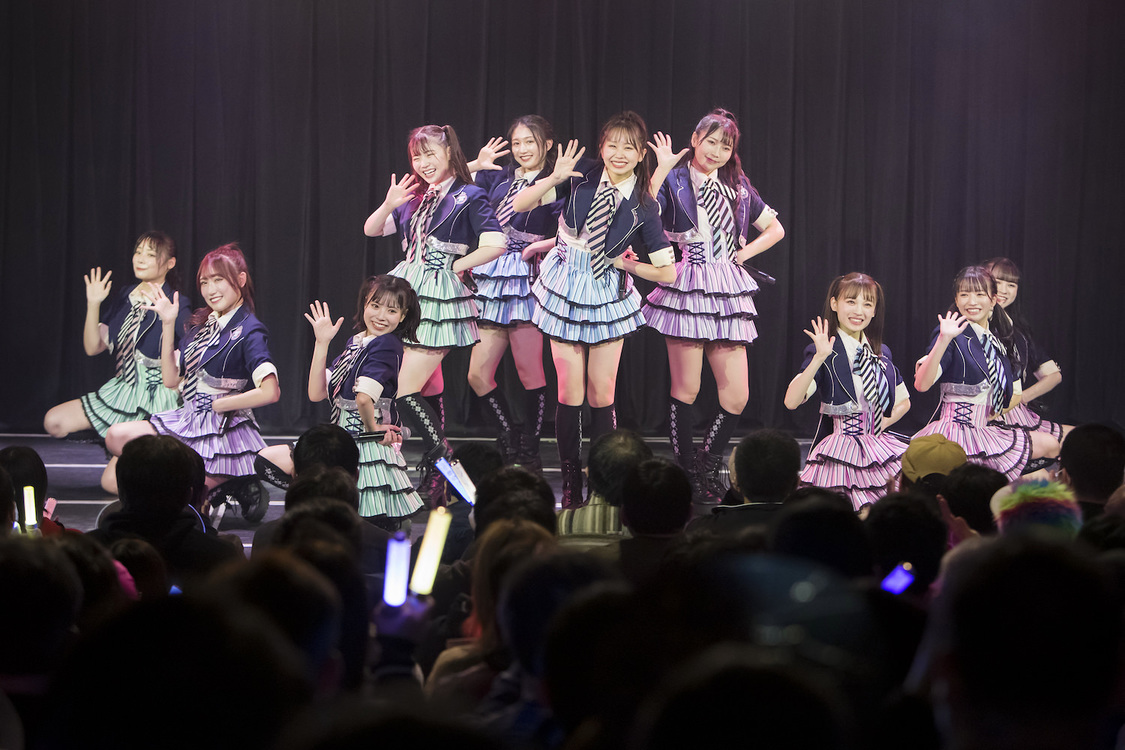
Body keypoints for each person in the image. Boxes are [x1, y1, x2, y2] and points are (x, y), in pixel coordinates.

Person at [512, 111, 677, 505]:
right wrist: (552, 177)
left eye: (629, 147)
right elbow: (520, 204)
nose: (619, 154)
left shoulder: (645, 205)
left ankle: (605, 480)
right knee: (569, 392)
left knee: (601, 394)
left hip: (606, 290)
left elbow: (668, 272)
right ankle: (571, 480)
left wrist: (626, 265)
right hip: (566, 285)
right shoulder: (582, 173)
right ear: (601, 147)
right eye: (612, 145)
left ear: (641, 154)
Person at [643, 109, 785, 502]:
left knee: (737, 395)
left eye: (725, 145)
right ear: (695, 139)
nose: (717, 151)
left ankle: (707, 464)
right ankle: (686, 471)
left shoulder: (738, 186)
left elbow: (775, 228)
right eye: (711, 142)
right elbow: (643, 212)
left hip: (726, 286)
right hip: (688, 282)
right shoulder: (675, 178)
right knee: (686, 389)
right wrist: (661, 168)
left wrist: (744, 254)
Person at [363, 124, 508, 500]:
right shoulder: (414, 196)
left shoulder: (469, 194)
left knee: (405, 391)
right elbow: (372, 230)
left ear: (448, 153)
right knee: (426, 387)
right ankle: (438, 480)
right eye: (417, 156)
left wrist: (456, 267)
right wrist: (389, 203)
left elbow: (496, 242)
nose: (423, 163)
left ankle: (448, 470)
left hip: (438, 296)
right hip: (406, 291)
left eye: (430, 154)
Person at [104, 243, 280, 508]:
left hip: (223, 432)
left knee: (179, 497)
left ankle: (235, 480)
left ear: (241, 279)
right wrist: (167, 323)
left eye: (218, 280)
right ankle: (224, 483)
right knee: (116, 436)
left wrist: (222, 404)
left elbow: (270, 391)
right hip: (188, 419)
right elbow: (170, 380)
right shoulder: (201, 325)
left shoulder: (249, 330)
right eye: (205, 282)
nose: (210, 290)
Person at [43, 232, 191, 492]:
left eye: (150, 254)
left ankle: (153, 458)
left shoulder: (176, 303)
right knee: (53, 421)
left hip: (155, 399)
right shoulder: (126, 296)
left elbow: (192, 351)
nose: (140, 259)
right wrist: (93, 304)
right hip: (122, 391)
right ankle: (118, 444)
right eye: (138, 252)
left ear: (170, 263)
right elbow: (93, 347)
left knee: (112, 484)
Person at [468, 116, 563, 468]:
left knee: (529, 373)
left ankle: (530, 448)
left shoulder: (557, 180)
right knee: (477, 375)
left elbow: (575, 229)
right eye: (517, 142)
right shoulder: (498, 176)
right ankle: (508, 434)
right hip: (492, 273)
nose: (522, 149)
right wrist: (476, 165)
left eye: (530, 142)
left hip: (527, 275)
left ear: (547, 145)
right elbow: (445, 183)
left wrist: (541, 246)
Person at [913, 266, 1057, 481]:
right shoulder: (952, 333)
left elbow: (1015, 391)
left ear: (993, 300)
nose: (972, 302)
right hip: (954, 432)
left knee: (1051, 448)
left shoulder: (997, 341)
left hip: (985, 430)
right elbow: (922, 384)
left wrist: (993, 413)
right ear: (956, 299)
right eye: (964, 294)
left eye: (980, 294)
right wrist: (944, 339)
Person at [300, 276, 423, 525]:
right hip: (346, 439)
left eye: (392, 310)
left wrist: (372, 430)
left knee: (363, 519)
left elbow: (364, 398)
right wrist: (322, 342)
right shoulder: (357, 342)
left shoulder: (386, 344)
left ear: (403, 316)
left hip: (366, 446)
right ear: (365, 303)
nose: (381, 316)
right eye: (375, 306)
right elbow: (316, 393)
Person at [783, 273, 910, 510]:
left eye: (867, 304)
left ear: (875, 311)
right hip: (840, 451)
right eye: (851, 301)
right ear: (834, 304)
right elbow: (791, 401)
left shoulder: (881, 352)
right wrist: (819, 358)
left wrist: (880, 424)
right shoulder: (823, 351)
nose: (859, 311)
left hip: (878, 449)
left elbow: (904, 401)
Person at [982, 257, 1071, 446]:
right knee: (1048, 448)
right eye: (998, 282)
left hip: (1016, 414)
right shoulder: (973, 326)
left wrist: (1021, 398)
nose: (1004, 290)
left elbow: (1054, 375)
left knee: (1083, 439)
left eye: (1011, 285)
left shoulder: (1019, 333)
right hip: (983, 416)